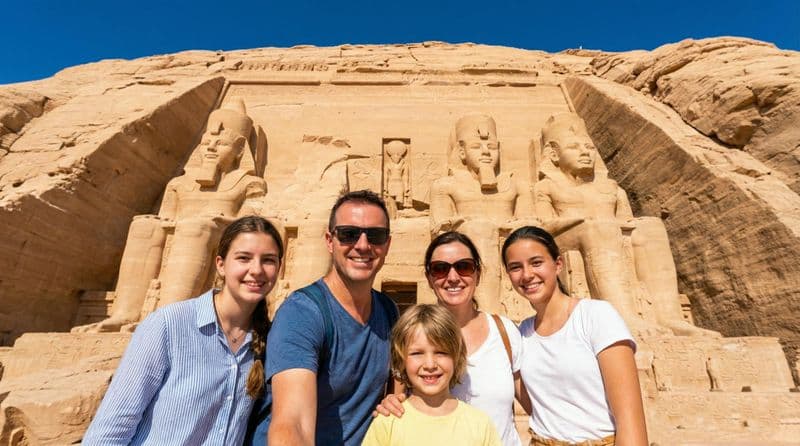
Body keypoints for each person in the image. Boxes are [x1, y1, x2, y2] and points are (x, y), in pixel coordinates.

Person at [82, 215, 283, 445]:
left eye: (268, 260)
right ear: (220, 264)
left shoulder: (268, 341)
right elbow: (110, 430)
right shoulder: (169, 325)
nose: (256, 270)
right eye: (243, 258)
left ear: (279, 268)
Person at [534, 112, 716, 336]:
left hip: (608, 234)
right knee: (600, 228)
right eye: (574, 147)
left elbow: (627, 220)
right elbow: (543, 226)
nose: (585, 152)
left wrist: (622, 225)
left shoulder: (611, 188)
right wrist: (582, 222)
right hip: (567, 238)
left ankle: (669, 317)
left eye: (589, 147)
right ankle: (622, 316)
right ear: (554, 154)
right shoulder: (547, 187)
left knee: (651, 226)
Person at [248, 190, 398, 446]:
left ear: (387, 244)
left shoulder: (388, 311)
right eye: (349, 234)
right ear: (330, 241)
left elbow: (396, 392)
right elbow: (292, 423)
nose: (363, 245)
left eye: (375, 235)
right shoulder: (302, 313)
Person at [375, 231, 528, 446]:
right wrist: (390, 403)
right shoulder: (414, 335)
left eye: (464, 266)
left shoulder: (504, 332)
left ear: (478, 273)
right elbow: (398, 402)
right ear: (429, 278)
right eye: (440, 269)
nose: (453, 277)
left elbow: (534, 404)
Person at [502, 226, 648, 446]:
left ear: (558, 264)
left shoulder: (596, 316)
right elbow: (540, 408)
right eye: (515, 267)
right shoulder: (520, 334)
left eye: (536, 262)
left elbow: (630, 419)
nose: (527, 274)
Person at [429, 114, 536, 313]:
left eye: (492, 147)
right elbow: (439, 230)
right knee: (480, 228)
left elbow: (530, 225)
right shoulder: (445, 186)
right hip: (469, 251)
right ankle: (488, 312)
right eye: (476, 147)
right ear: (462, 152)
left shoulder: (516, 185)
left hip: (510, 246)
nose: (486, 152)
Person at [362, 304, 502, 446]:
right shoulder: (387, 422)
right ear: (402, 359)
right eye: (417, 353)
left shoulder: (480, 425)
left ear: (457, 357)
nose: (430, 365)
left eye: (441, 352)